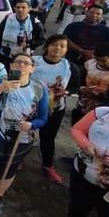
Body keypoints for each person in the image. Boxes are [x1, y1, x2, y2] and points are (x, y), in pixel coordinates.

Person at [45, 93, 109, 217]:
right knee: (78, 205)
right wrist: (86, 145)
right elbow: (77, 129)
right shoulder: (102, 113)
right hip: (84, 170)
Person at [0, 53, 48, 215]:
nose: (21, 65)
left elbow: (43, 117)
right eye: (18, 62)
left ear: (32, 68)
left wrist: (31, 124)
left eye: (26, 63)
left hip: (22, 134)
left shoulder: (39, 89)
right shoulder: (0, 81)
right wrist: (1, 88)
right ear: (11, 66)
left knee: (10, 165)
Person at [32, 35, 76, 184]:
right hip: (31, 106)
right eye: (54, 45)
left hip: (55, 108)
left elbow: (75, 86)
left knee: (48, 138)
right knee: (25, 134)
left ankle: (47, 166)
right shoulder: (34, 61)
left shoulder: (69, 66)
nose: (57, 48)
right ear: (47, 46)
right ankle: (17, 160)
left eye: (62, 46)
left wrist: (66, 92)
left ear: (66, 50)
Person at [74, 42, 109, 125]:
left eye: (104, 61)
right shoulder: (90, 64)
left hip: (104, 112)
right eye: (97, 60)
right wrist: (81, 88)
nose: (100, 63)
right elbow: (80, 80)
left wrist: (101, 95)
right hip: (83, 105)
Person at [0, 0, 45, 65]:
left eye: (23, 7)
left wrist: (28, 43)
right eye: (18, 7)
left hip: (23, 56)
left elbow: (41, 40)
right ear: (14, 8)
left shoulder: (35, 22)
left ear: (29, 9)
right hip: (5, 55)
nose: (20, 10)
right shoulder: (7, 19)